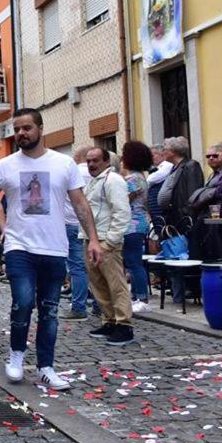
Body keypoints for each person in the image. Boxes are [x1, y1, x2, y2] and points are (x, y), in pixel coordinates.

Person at [0, 108, 102, 391]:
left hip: (54, 247)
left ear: (40, 129)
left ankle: (46, 366)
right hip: (19, 245)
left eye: (27, 128)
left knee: (50, 310)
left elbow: (80, 203)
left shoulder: (63, 164)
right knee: (22, 302)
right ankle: (16, 354)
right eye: (17, 129)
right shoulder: (5, 165)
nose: (21, 133)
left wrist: (93, 238)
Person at [81, 148, 134, 346]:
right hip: (91, 239)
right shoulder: (94, 182)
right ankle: (110, 319)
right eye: (88, 161)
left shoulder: (113, 180)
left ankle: (124, 323)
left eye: (95, 160)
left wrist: (111, 240)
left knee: (115, 283)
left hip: (106, 240)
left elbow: (122, 212)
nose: (91, 165)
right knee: (98, 284)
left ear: (106, 161)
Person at [119, 142, 154, 313]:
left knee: (133, 262)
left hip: (132, 224)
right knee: (133, 262)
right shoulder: (140, 176)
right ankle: (136, 296)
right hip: (137, 223)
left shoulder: (133, 179)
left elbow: (123, 200)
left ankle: (142, 297)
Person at [60, 146, 93, 320]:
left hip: (71, 223)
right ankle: (98, 304)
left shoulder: (72, 171)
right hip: (91, 224)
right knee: (94, 265)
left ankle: (79, 306)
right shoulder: (95, 174)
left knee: (77, 267)